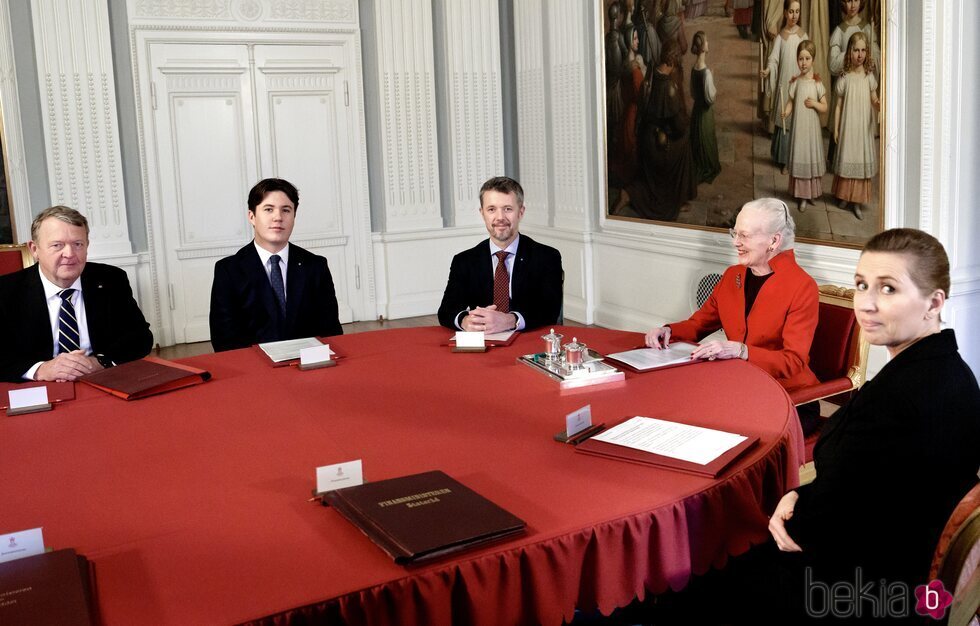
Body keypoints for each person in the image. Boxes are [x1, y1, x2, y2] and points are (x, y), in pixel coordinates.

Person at [763, 229, 980, 620]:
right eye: (862, 285)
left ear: (933, 302)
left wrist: (795, 501)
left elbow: (832, 525)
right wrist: (800, 495)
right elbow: (869, 490)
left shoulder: (906, 396)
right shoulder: (947, 370)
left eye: (888, 289)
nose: (866, 304)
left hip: (865, 592)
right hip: (895, 568)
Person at [644, 198, 821, 431]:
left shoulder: (802, 286)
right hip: (740, 386)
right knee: (676, 408)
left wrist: (742, 351)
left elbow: (794, 361)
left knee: (716, 427)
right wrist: (669, 330)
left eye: (744, 236)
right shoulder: (732, 276)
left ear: (774, 240)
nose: (735, 243)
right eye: (734, 233)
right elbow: (699, 323)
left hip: (789, 398)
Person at [0, 206, 153, 382]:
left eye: (77, 244)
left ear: (87, 246)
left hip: (99, 380)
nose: (70, 254)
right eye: (57, 245)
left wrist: (99, 362)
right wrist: (41, 369)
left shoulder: (111, 279)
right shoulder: (6, 292)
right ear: (34, 249)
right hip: (38, 387)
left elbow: (140, 338)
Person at [209, 178, 342, 352]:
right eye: (268, 209)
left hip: (308, 366)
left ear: (294, 216)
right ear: (252, 216)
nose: (278, 217)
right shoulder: (228, 271)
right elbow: (224, 339)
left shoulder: (315, 266)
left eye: (286, 210)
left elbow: (330, 330)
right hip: (255, 370)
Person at [437, 176, 563, 334]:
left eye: (508, 209)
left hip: (529, 339)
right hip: (483, 341)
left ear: (521, 212)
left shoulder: (546, 257)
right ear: (482, 213)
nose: (500, 218)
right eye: (491, 209)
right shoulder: (464, 261)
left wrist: (510, 320)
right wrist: (465, 320)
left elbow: (550, 310)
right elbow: (446, 310)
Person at [614, 40, 697, 221]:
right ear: (673, 62)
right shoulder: (667, 87)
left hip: (645, 137)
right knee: (684, 143)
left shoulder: (650, 76)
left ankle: (629, 194)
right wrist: (685, 123)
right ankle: (677, 199)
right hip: (657, 145)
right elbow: (678, 126)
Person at [832, 31, 879, 221]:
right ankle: (845, 197)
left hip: (862, 127)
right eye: (855, 50)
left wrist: (878, 104)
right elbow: (838, 106)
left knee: (860, 158)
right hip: (848, 125)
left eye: (862, 50)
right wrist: (835, 129)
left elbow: (874, 98)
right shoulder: (844, 77)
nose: (859, 55)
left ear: (867, 52)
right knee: (848, 156)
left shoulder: (869, 77)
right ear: (849, 52)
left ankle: (857, 202)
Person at [760, 0, 808, 174]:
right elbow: (773, 59)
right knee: (784, 123)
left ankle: (798, 160)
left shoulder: (804, 36)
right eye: (791, 12)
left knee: (798, 123)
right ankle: (784, 161)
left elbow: (809, 59)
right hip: (784, 86)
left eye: (797, 12)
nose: (794, 16)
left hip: (800, 86)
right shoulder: (781, 37)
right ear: (785, 13)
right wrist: (767, 70)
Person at [783, 40, 828, 212]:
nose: (803, 63)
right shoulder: (795, 82)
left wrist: (815, 104)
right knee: (801, 155)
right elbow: (790, 103)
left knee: (810, 157)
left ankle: (811, 194)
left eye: (807, 59)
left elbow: (825, 107)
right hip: (799, 128)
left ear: (813, 60)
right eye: (800, 59)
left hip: (812, 129)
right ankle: (801, 196)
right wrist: (786, 112)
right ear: (797, 60)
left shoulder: (817, 83)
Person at [689, 30, 721, 184]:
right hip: (705, 113)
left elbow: (693, 94)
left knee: (698, 139)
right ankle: (707, 166)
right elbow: (710, 98)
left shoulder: (694, 69)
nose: (708, 44)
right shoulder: (706, 73)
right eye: (706, 42)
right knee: (706, 140)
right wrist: (712, 80)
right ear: (702, 47)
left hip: (696, 111)